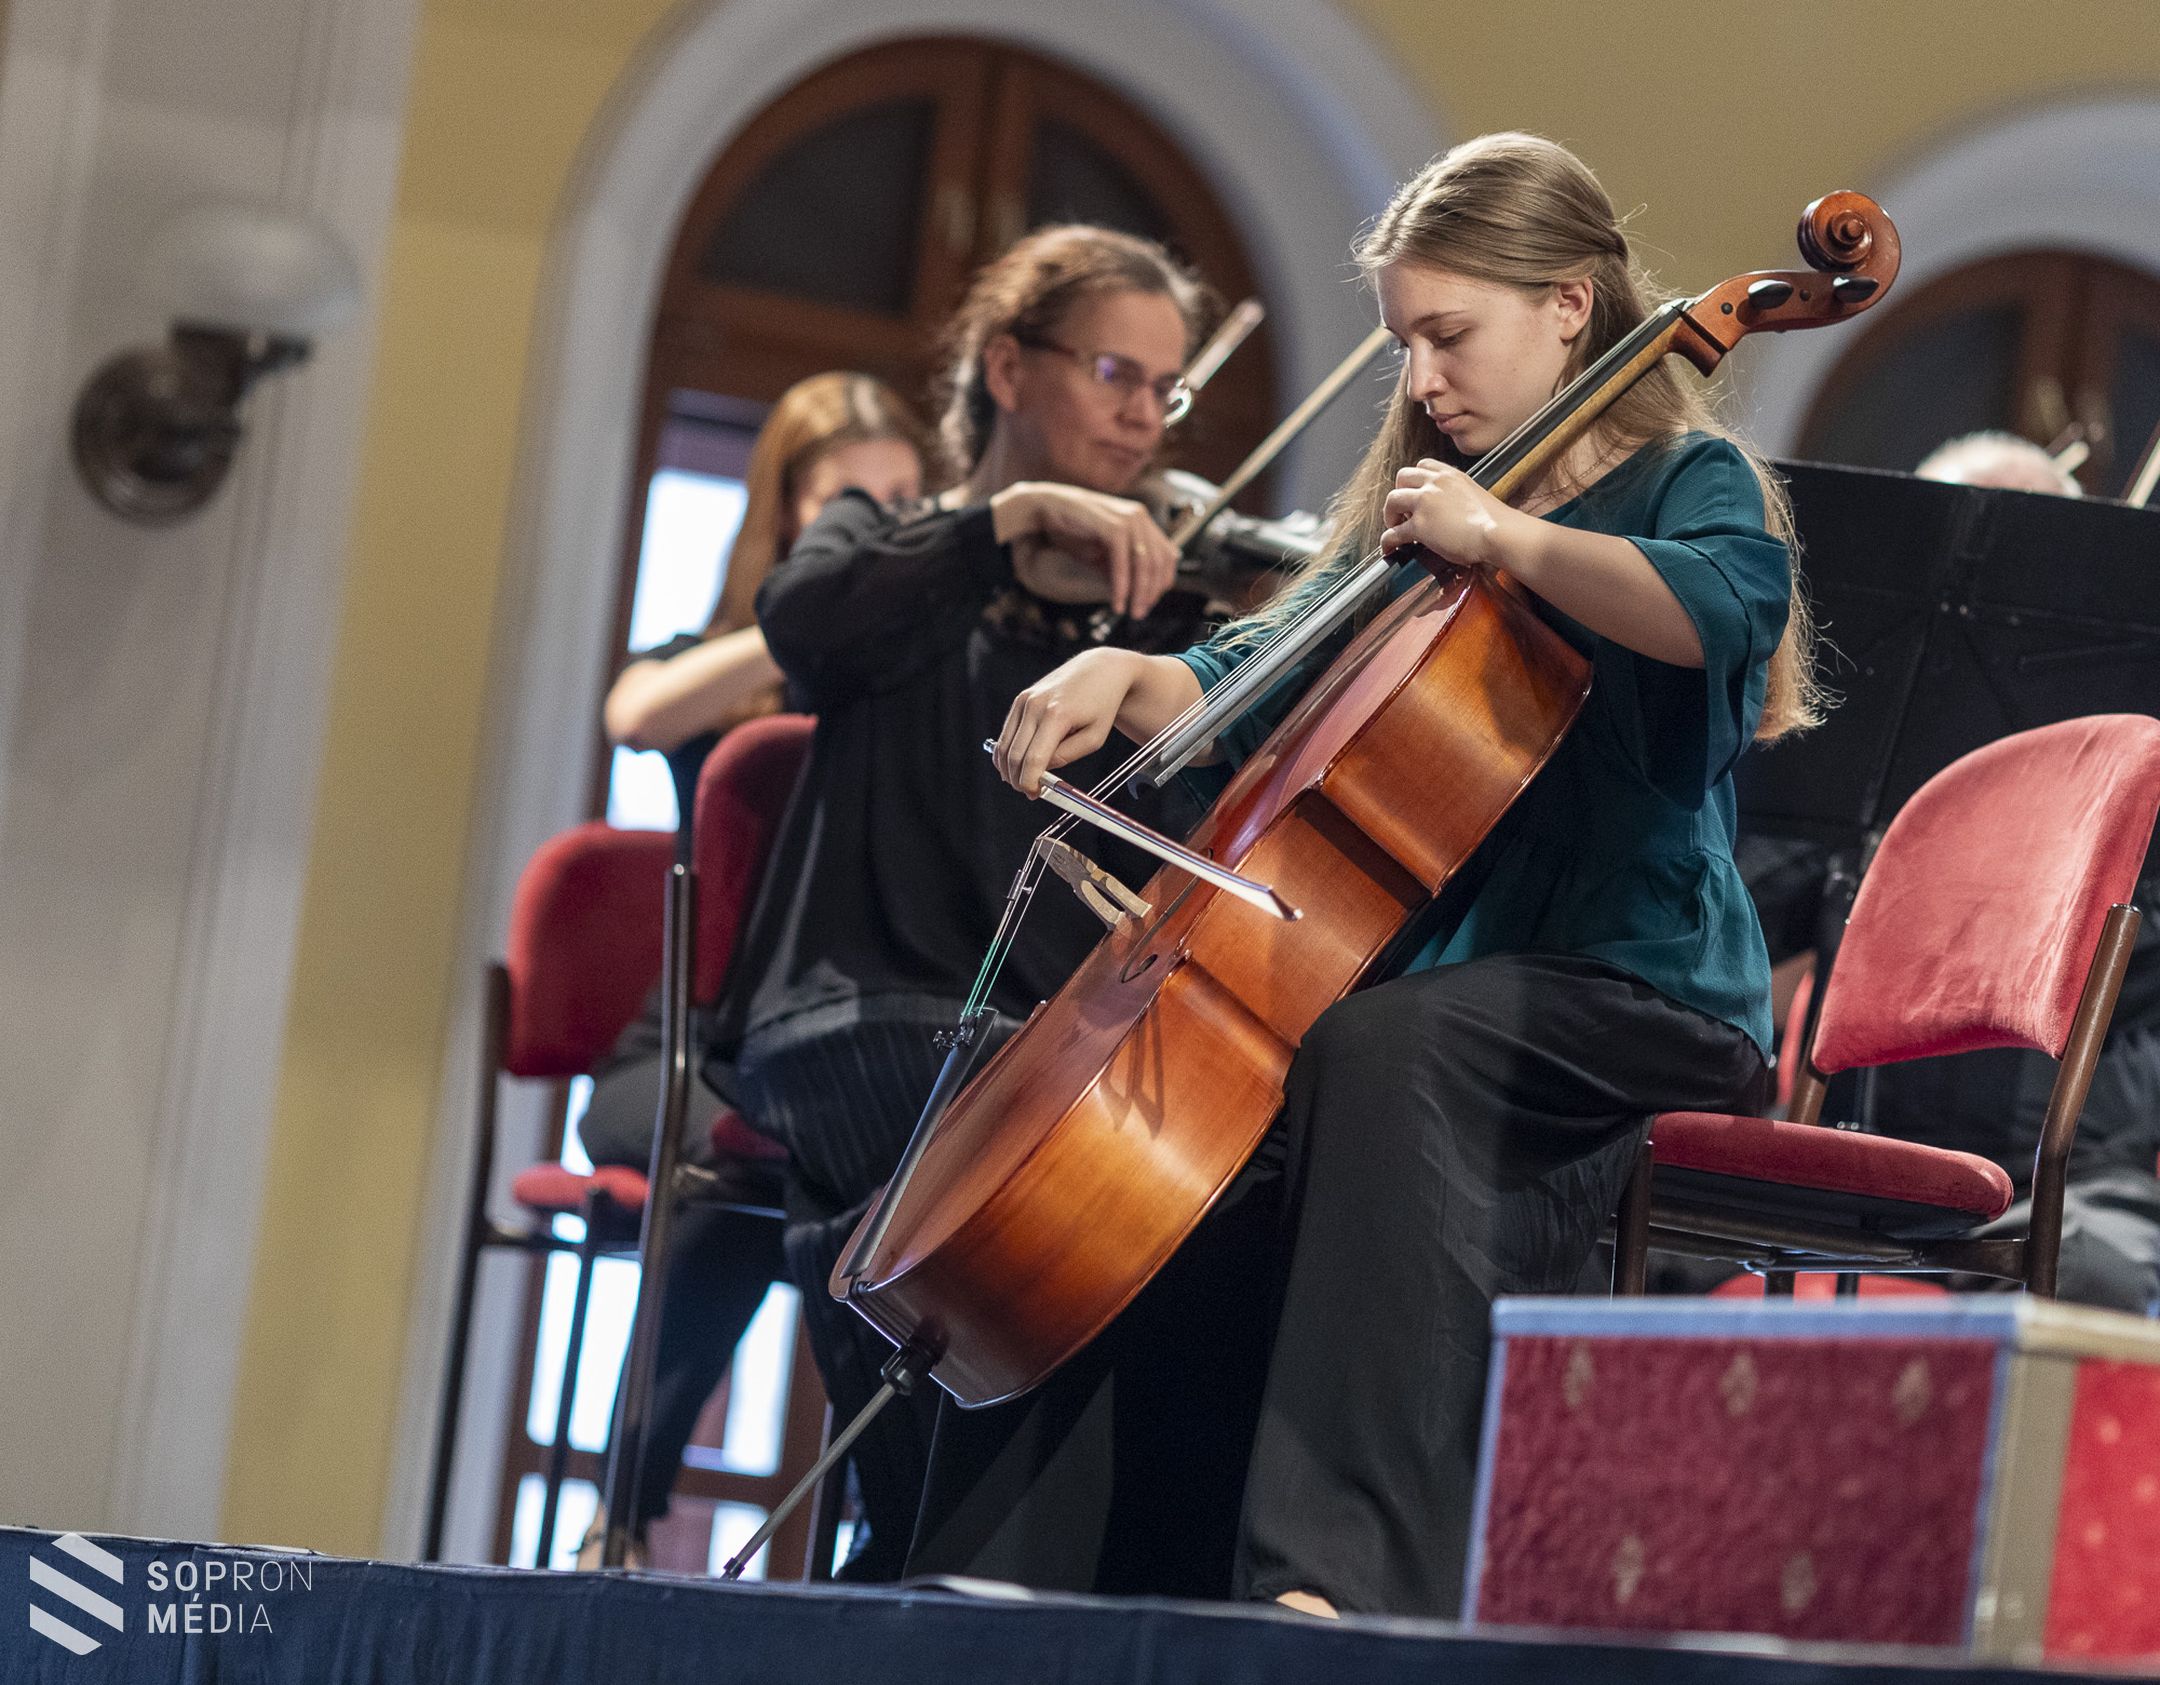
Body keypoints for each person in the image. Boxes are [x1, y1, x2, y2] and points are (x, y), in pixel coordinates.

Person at [955, 132, 1816, 1618]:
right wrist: (1132, 675)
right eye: (1407, 341)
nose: (1424, 377)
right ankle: (1047, 1589)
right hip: (1445, 985)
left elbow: (1721, 613)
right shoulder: (1429, 502)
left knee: (1381, 1047)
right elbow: (1266, 670)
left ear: (1567, 303)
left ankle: (1341, 1588)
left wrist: (1516, 538)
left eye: (1448, 333)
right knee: (1170, 1181)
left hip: (1637, 985)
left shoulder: (1689, 481)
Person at [718, 225, 1223, 1580]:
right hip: (859, 1015)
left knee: (1191, 1195)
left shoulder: (1174, 616)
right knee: (1027, 1184)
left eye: (1167, 389)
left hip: (1044, 1047)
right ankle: (975, 1590)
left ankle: (951, 1583)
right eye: (1118, 369)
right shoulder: (886, 549)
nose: (1143, 413)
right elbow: (801, 619)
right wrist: (1002, 524)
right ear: (1007, 364)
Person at [574, 371, 931, 1563]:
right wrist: (815, 612)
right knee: (738, 1162)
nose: (882, 521)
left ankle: (895, 1528)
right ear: (790, 509)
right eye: (850, 501)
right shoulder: (736, 656)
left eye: (904, 497)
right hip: (683, 1055)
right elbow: (634, 714)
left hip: (819, 1053)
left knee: (853, 1157)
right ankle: (624, 1516)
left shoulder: (905, 675)